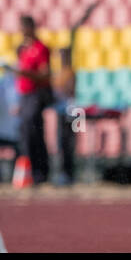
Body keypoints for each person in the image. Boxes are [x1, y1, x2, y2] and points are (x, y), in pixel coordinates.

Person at [10, 16, 52, 185]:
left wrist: (24, 73)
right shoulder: (23, 49)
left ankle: (40, 171)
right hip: (25, 95)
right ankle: (29, 171)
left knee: (34, 132)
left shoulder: (40, 48)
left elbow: (45, 74)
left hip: (36, 94)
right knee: (26, 132)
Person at [52, 47, 78, 186]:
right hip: (62, 111)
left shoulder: (69, 73)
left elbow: (69, 91)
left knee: (70, 143)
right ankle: (64, 173)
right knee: (62, 142)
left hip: (72, 111)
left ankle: (70, 173)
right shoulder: (60, 74)